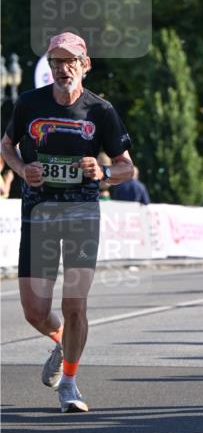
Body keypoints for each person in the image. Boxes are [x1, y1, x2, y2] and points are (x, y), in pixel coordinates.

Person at [0, 32, 133, 412]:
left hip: (81, 216)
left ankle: (70, 384)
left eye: (70, 61)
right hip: (38, 216)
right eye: (56, 62)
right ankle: (62, 342)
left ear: (85, 64)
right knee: (35, 312)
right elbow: (6, 146)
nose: (63, 68)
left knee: (75, 305)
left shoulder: (101, 111)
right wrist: (23, 169)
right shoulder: (29, 104)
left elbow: (127, 166)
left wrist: (103, 170)